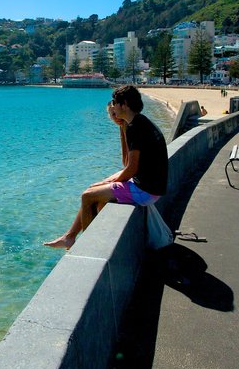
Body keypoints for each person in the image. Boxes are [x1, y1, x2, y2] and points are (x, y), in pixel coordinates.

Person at [45, 85, 168, 249]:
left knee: (87, 196)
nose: (113, 107)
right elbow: (131, 165)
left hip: (145, 190)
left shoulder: (135, 128)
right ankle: (70, 237)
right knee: (97, 195)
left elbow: (131, 168)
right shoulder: (141, 122)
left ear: (123, 104)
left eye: (115, 103)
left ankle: (88, 247)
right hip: (151, 187)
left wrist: (111, 182)